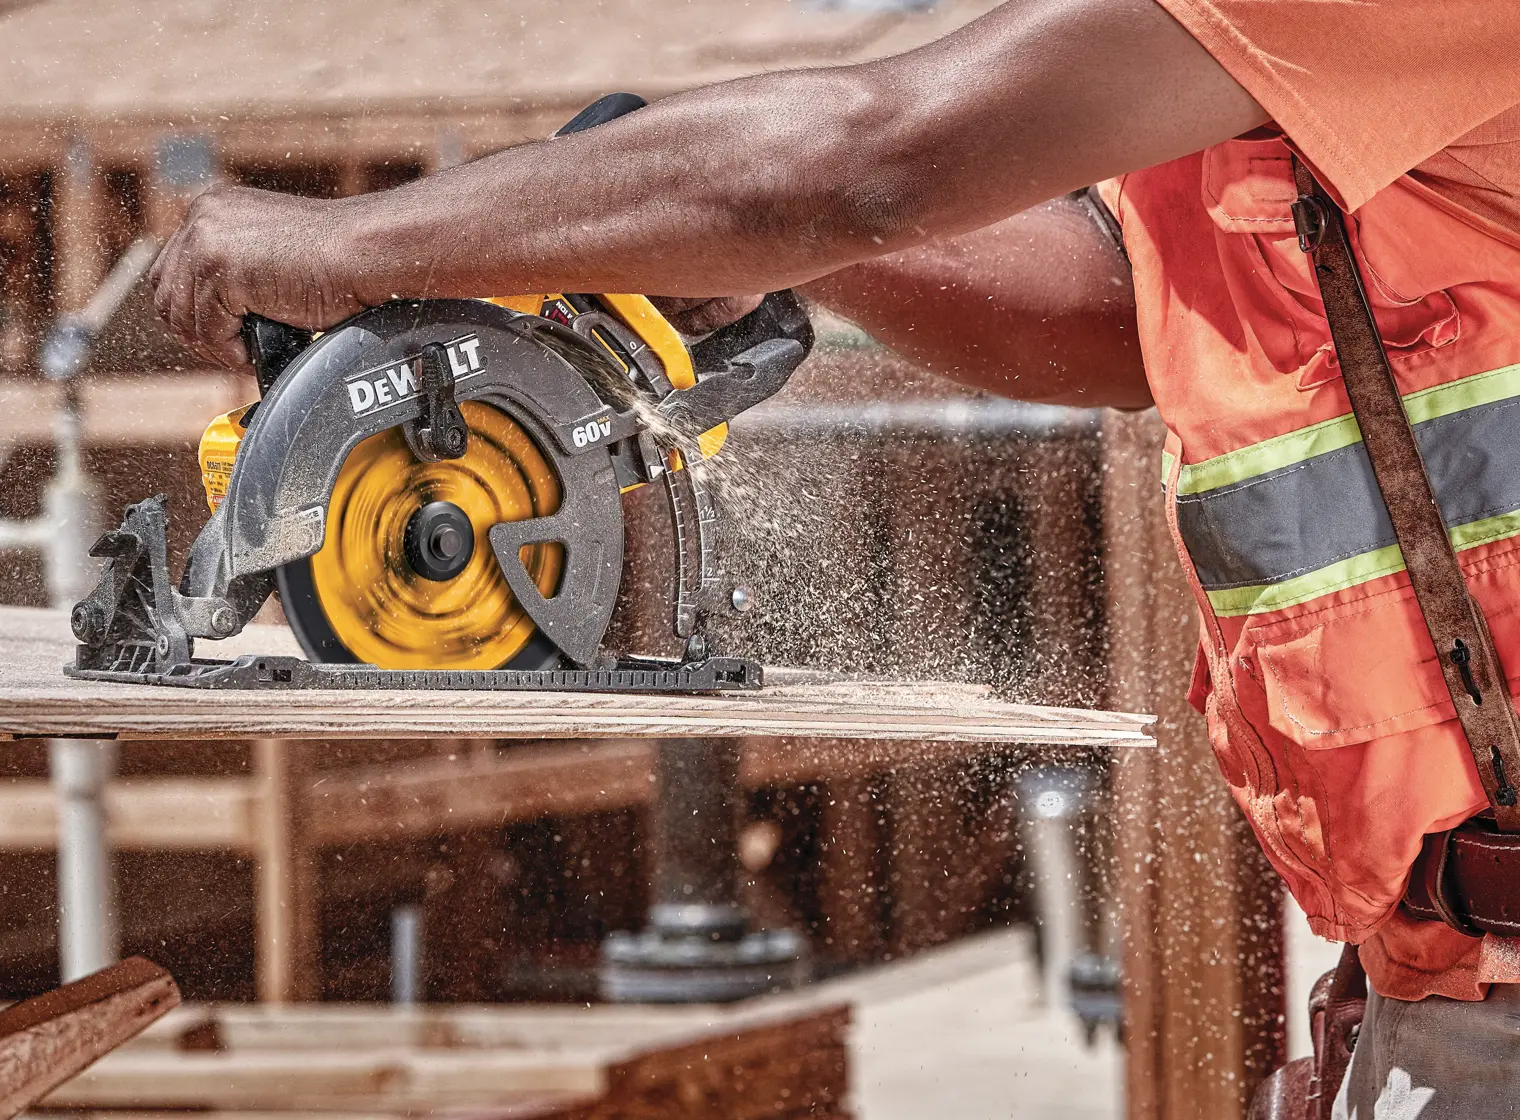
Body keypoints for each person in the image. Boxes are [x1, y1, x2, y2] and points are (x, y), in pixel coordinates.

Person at [148, 1, 1520, 1114]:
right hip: (1450, 949)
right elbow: (1121, 316)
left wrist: (342, 246)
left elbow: (877, 156)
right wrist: (767, 247)